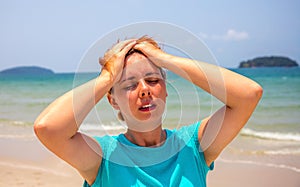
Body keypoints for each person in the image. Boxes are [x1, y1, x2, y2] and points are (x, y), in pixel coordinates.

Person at [34, 36, 263, 186]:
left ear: (165, 90)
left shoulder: (194, 146)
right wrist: (107, 78)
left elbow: (249, 95)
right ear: (112, 100)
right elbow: (48, 128)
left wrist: (166, 60)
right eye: (130, 85)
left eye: (153, 79)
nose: (144, 90)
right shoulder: (104, 157)